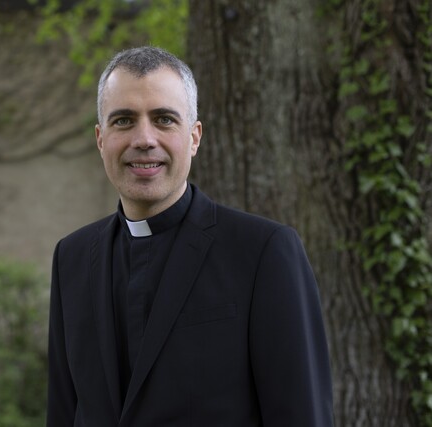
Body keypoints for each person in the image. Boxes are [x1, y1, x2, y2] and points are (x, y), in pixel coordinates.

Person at [46, 46, 334, 426]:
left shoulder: (262, 252)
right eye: (124, 120)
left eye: (164, 119)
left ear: (194, 137)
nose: (144, 138)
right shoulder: (72, 258)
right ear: (101, 139)